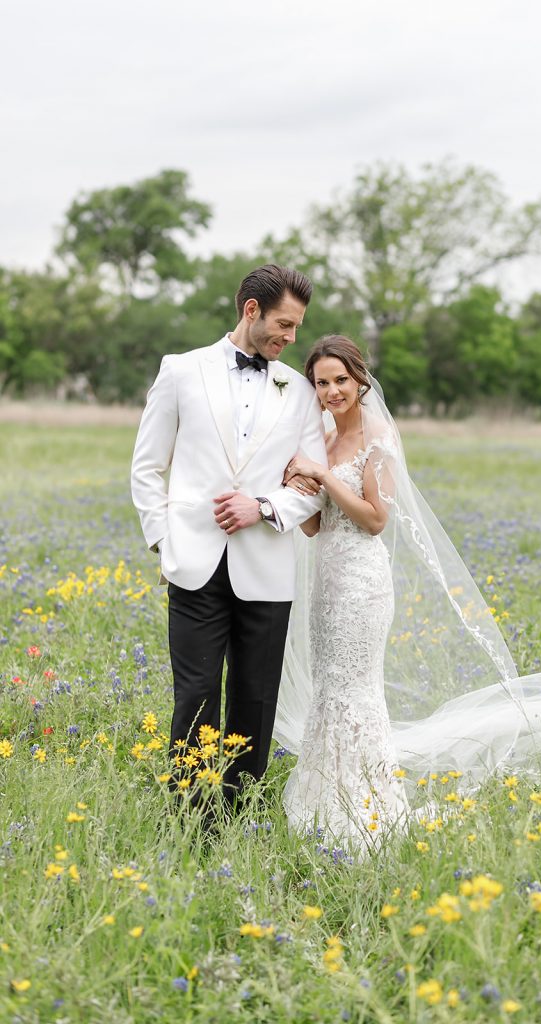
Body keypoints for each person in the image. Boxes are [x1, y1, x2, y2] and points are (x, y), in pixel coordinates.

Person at [271, 335, 541, 851]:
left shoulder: (378, 436)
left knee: (357, 691)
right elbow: (315, 529)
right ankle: (322, 797)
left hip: (362, 583)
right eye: (322, 382)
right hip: (328, 580)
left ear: (360, 380)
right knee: (331, 689)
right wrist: (297, 483)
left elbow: (376, 520)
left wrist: (324, 477)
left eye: (340, 380)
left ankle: (369, 802)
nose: (331, 391)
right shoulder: (324, 442)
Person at [130, 264, 327, 811]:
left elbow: (312, 485)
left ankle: (241, 815)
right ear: (250, 310)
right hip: (192, 562)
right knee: (193, 694)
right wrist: (162, 543)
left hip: (266, 566)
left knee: (256, 698)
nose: (291, 339)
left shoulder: (301, 391)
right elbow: (147, 467)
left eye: (296, 328)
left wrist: (263, 506)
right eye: (284, 326)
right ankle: (192, 817)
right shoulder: (180, 371)